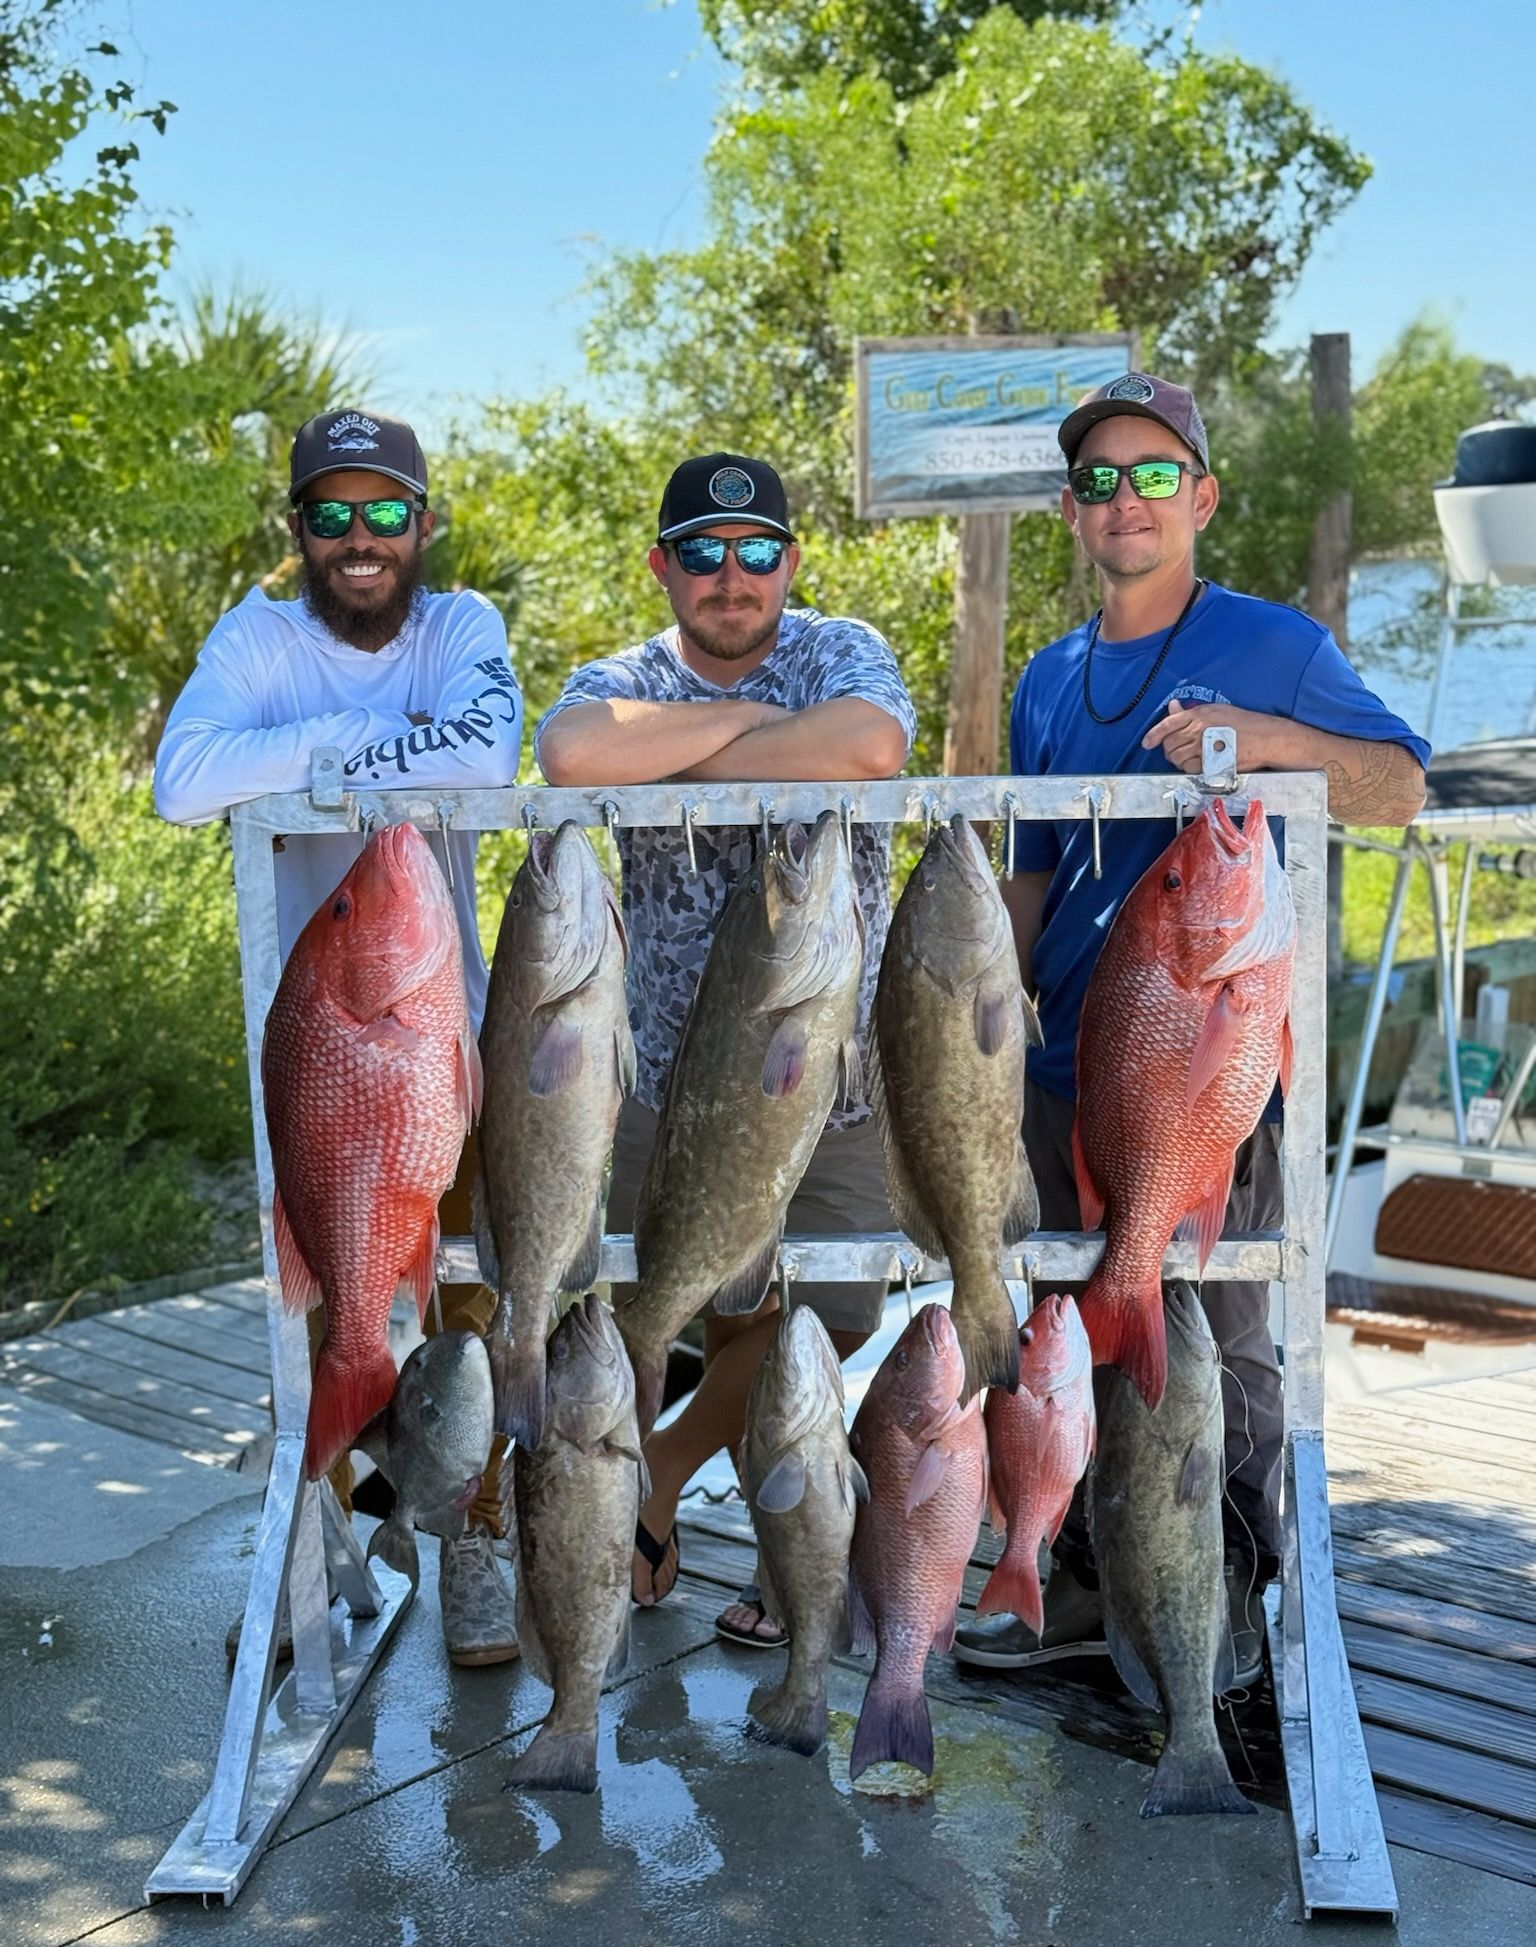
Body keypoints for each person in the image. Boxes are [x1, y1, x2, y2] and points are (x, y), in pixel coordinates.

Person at [953, 372, 1429, 1686]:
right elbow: (1033, 875)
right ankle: (1088, 1592)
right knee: (1072, 1347)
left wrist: (1265, 737)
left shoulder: (1279, 645)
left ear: (1203, 497)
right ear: (1070, 508)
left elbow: (1396, 788)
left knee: (1225, 1354)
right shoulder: (1050, 678)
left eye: (1155, 474)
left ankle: (1242, 1617)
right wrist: (961, 1014)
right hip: (1065, 1074)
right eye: (1100, 480)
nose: (1127, 501)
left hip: (1211, 1072)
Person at [155, 407, 525, 1668]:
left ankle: (471, 1542)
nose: (359, 539)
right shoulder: (258, 638)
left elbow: (484, 752)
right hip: (317, 1056)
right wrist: (352, 754)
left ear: (422, 522)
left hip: (438, 1048)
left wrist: (303, 771)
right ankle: (308, 1557)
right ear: (299, 529)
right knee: (309, 1317)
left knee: (470, 1301)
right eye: (331, 514)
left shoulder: (460, 628)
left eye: (383, 512)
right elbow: (179, 778)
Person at [536, 452, 915, 1645]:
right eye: (702, 552)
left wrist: (693, 747)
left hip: (833, 1070)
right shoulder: (623, 672)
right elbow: (573, 752)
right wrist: (760, 728)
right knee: (708, 1307)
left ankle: (660, 1467)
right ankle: (734, 1547)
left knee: (835, 1311)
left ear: (793, 563)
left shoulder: (838, 645)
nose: (732, 575)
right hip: (669, 1074)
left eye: (758, 550)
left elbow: (866, 746)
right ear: (664, 566)